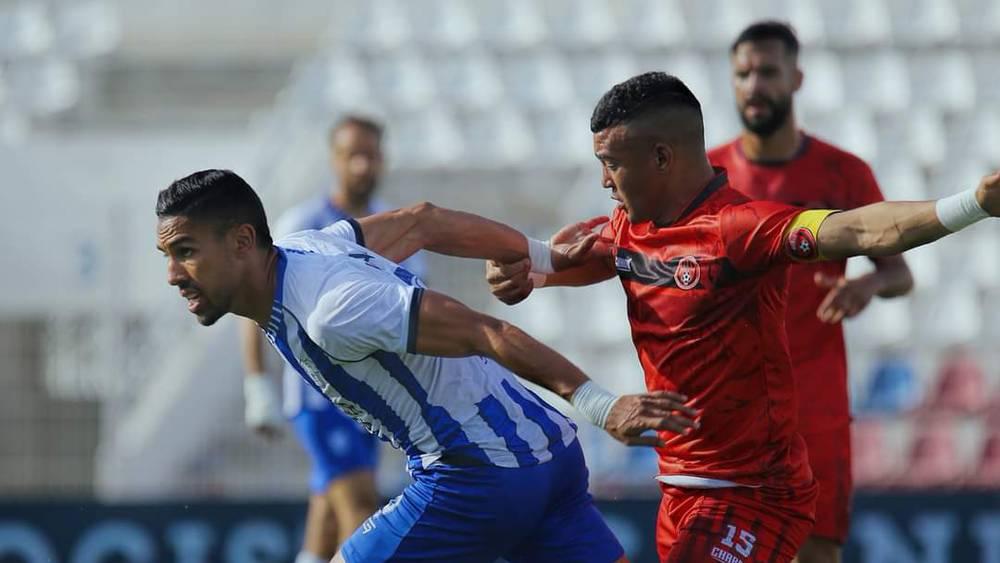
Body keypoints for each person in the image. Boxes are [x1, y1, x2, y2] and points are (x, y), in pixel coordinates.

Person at [484, 71, 999, 562]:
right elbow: (573, 257)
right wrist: (528, 270)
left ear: (661, 157)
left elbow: (862, 230)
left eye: (611, 162)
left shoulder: (739, 230)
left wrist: (970, 204)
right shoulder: (630, 226)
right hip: (680, 488)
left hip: (754, 493)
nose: (602, 180)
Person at [156, 169, 701, 563]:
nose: (174, 275)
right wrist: (538, 256)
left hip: (479, 474)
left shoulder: (331, 309)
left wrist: (600, 404)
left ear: (242, 241)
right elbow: (422, 222)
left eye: (186, 251)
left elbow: (483, 331)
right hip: (548, 454)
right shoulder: (307, 249)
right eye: (169, 257)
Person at [706, 22, 913, 563]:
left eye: (768, 72)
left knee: (816, 553)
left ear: (796, 79)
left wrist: (867, 283)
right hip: (731, 403)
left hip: (813, 401)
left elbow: (899, 274)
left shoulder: (843, 173)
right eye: (743, 74)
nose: (755, 86)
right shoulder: (706, 176)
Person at [239, 115, 424, 563]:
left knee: (326, 515)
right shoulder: (302, 224)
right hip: (318, 395)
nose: (362, 166)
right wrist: (257, 385)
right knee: (361, 510)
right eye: (352, 155)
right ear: (334, 160)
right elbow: (254, 302)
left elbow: (412, 315)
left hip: (371, 398)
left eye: (370, 155)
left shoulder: (395, 227)